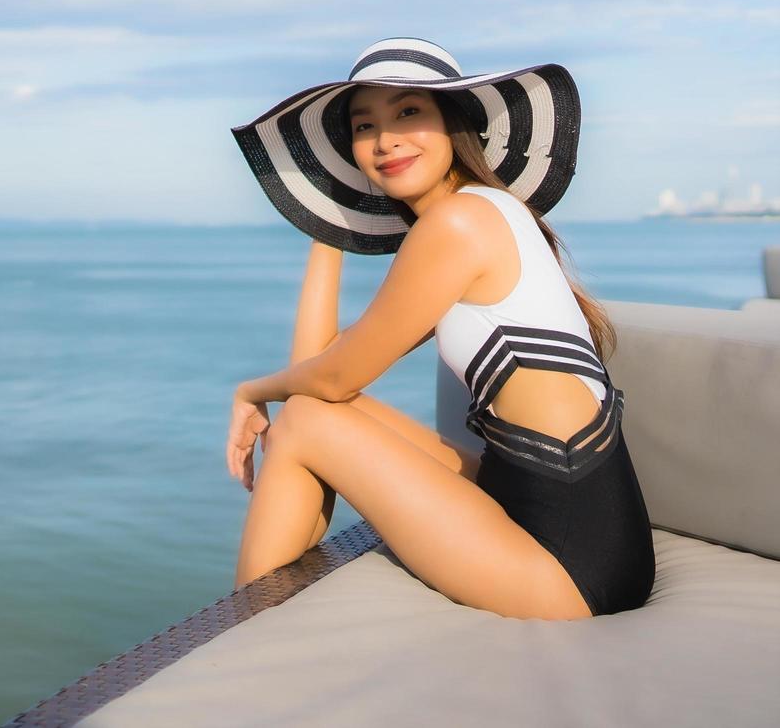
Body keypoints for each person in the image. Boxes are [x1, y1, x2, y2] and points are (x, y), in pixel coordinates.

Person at [222, 36, 655, 620]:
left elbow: (330, 380)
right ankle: (261, 626)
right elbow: (320, 372)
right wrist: (328, 222)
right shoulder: (486, 210)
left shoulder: (459, 224)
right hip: (559, 515)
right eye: (363, 126)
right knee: (308, 414)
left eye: (408, 112)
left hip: (570, 565)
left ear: (454, 124)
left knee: (302, 422)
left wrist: (251, 392)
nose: (385, 139)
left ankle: (246, 641)